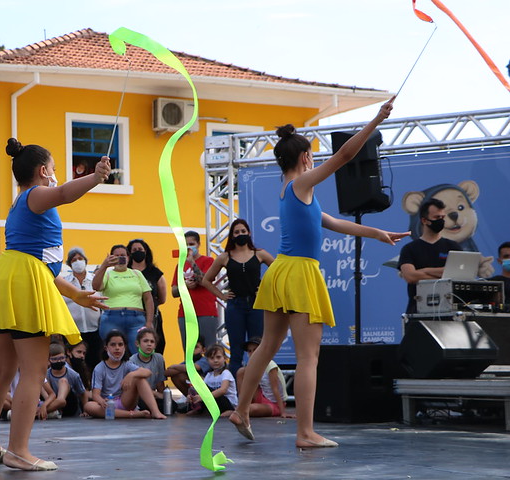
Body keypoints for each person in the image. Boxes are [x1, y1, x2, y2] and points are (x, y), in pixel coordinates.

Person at [230, 98, 409, 449]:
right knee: (308, 357)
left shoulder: (291, 191)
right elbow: (343, 158)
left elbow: (332, 223)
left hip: (282, 270)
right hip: (299, 273)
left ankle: (241, 410)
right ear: (304, 158)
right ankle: (305, 433)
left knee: (267, 347)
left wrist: (377, 233)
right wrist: (375, 120)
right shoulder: (301, 185)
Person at [0, 138, 109, 472]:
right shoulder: (36, 196)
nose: (56, 175)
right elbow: (63, 193)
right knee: (33, 370)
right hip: (23, 280)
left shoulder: (20, 202)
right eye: (54, 168)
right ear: (43, 170)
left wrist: (75, 294)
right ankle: (18, 450)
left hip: (10, 276)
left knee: (4, 368)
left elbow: (40, 266)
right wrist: (95, 177)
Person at [201, 218, 275, 377]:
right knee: (236, 351)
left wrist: (265, 288)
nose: (240, 234)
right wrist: (222, 295)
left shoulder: (259, 253)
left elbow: (278, 271)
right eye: (237, 232)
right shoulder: (224, 257)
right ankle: (237, 391)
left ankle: (260, 389)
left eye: (243, 231)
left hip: (257, 305)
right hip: (235, 307)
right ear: (232, 236)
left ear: (248, 233)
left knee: (259, 347)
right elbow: (206, 280)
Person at [83, 330, 166, 420]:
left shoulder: (126, 364)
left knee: (139, 379)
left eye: (120, 344)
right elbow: (95, 395)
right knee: (88, 406)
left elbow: (147, 372)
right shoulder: (99, 368)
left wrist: (131, 375)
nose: (117, 348)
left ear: (125, 347)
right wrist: (102, 401)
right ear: (106, 348)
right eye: (113, 345)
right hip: (106, 404)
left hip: (124, 401)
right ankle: (133, 414)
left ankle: (155, 411)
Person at [398, 198, 462, 314]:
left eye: (443, 217)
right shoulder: (409, 249)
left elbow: (459, 275)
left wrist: (424, 271)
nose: (441, 221)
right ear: (424, 220)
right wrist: (445, 277)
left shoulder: (453, 247)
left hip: (449, 312)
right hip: (418, 311)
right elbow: (411, 277)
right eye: (437, 218)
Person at [93, 244, 154, 347]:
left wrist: (149, 322)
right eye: (116, 256)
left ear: (128, 258)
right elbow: (96, 286)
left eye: (123, 255)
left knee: (139, 351)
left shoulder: (137, 274)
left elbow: (148, 299)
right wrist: (104, 265)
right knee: (113, 352)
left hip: (136, 318)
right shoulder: (107, 274)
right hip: (112, 318)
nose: (120, 258)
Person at [171, 231, 219, 349]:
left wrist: (192, 261)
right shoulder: (180, 265)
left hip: (206, 311)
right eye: (185, 245)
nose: (188, 247)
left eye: (191, 244)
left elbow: (204, 280)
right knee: (190, 350)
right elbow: (174, 291)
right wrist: (185, 286)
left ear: (198, 244)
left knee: (209, 350)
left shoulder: (208, 261)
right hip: (185, 313)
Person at [61, 247, 103, 372]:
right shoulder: (64, 283)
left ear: (85, 261)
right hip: (73, 332)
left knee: (95, 362)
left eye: (80, 259)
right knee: (75, 364)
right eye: (74, 260)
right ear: (69, 264)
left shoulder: (95, 280)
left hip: (95, 331)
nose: (78, 262)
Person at [128, 239, 168, 354]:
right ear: (129, 253)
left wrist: (149, 306)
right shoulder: (126, 272)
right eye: (134, 250)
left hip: (152, 317)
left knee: (155, 346)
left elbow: (162, 299)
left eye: (140, 249)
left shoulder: (155, 273)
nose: (137, 252)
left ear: (146, 252)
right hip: (131, 315)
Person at [187, 344, 237, 417]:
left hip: (227, 402)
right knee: (200, 389)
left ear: (225, 358)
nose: (215, 360)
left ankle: (230, 411)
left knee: (210, 392)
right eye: (212, 358)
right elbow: (202, 390)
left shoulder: (226, 373)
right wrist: (192, 396)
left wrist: (203, 397)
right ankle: (200, 410)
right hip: (215, 402)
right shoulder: (209, 375)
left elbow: (223, 390)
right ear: (207, 360)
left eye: (218, 357)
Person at [236, 355, 292, 419]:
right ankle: (241, 405)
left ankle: (241, 409)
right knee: (241, 371)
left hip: (274, 403)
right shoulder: (254, 364)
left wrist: (283, 412)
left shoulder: (270, 365)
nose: (252, 353)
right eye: (249, 351)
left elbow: (275, 389)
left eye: (255, 350)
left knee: (251, 409)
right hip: (263, 396)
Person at [42, 342, 89, 418]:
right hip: (52, 402)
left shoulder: (73, 375)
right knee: (41, 381)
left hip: (69, 404)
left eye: (61, 358)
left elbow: (83, 393)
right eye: (55, 359)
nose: (59, 361)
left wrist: (85, 410)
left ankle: (41, 411)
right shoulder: (47, 374)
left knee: (63, 381)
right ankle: (48, 411)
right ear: (48, 360)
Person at [130, 328, 167, 408]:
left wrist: (163, 397)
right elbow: (133, 389)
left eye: (152, 341)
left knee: (171, 405)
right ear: (137, 343)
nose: (149, 344)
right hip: (139, 396)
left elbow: (160, 384)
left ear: (155, 345)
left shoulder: (159, 358)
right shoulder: (132, 361)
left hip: (154, 396)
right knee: (143, 405)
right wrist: (155, 393)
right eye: (145, 341)